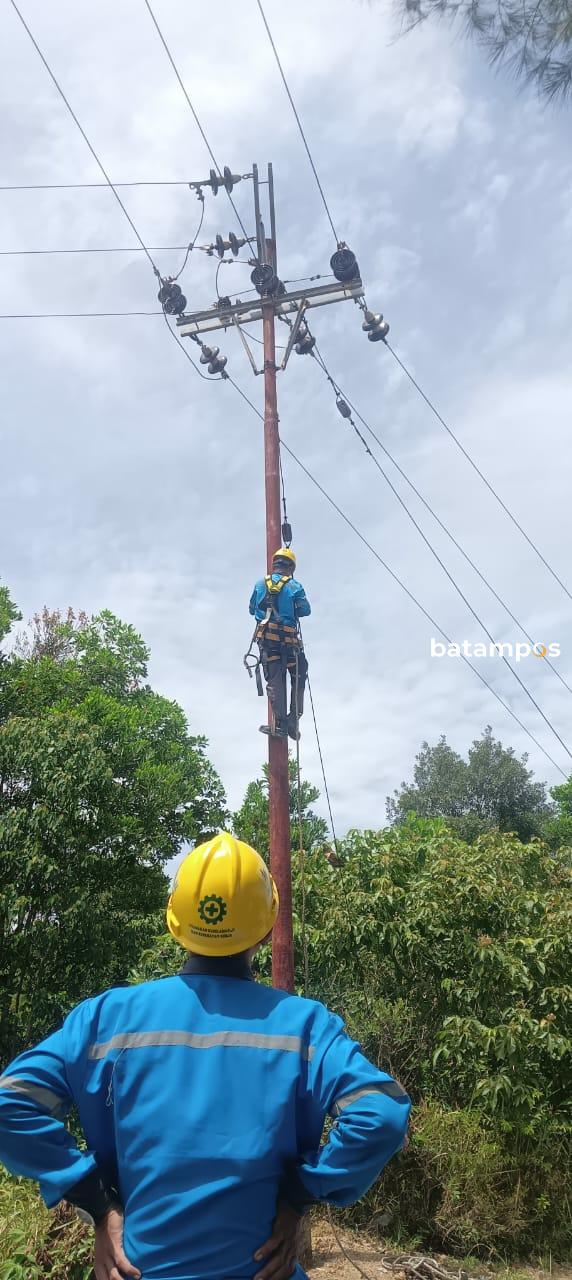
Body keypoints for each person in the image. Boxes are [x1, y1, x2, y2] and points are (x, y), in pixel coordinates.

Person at [0, 832, 411, 1280]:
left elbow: (10, 1104)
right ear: (267, 922)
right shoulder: (305, 1027)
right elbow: (381, 1115)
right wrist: (299, 1197)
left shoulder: (105, 1019)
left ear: (175, 919)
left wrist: (98, 1205)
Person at [249, 548, 311, 741]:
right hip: (290, 643)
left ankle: (280, 724)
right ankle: (294, 718)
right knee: (299, 674)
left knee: (275, 679)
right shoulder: (294, 586)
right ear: (290, 567)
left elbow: (252, 609)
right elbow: (305, 610)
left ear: (274, 564)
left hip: (269, 643)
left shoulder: (260, 584)